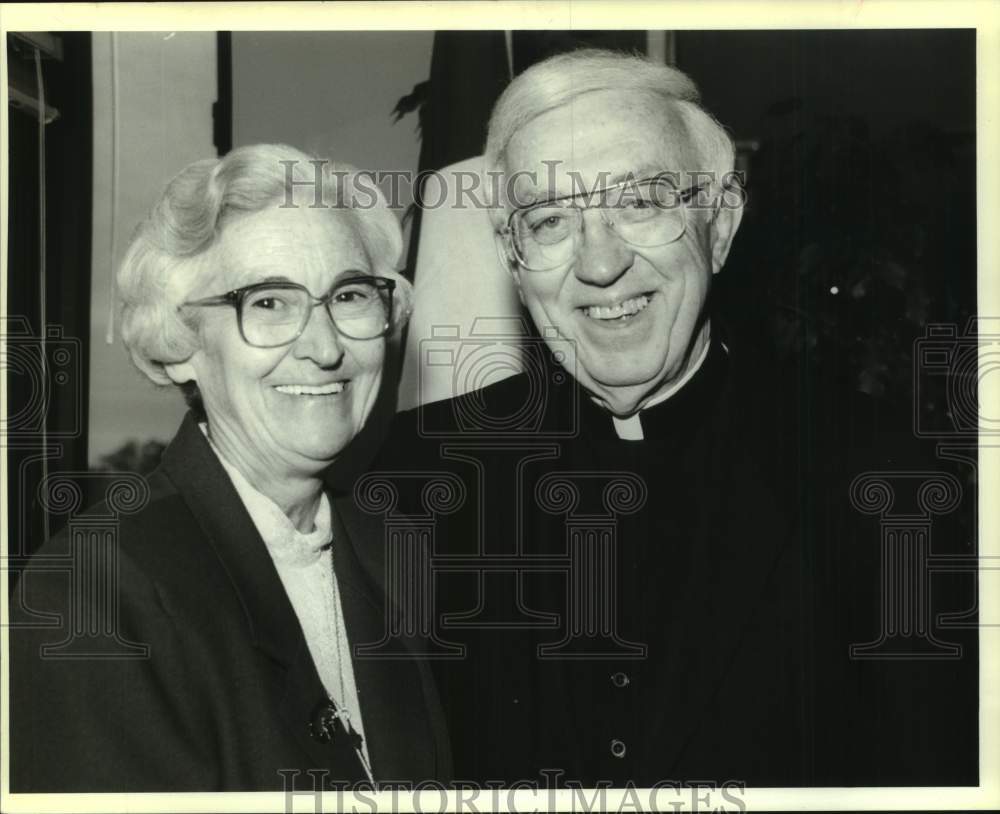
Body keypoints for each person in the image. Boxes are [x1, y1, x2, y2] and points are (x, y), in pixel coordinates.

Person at [365, 50, 977, 787]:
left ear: (719, 225)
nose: (599, 265)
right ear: (513, 258)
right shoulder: (410, 481)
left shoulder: (880, 475)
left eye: (640, 203)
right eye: (550, 220)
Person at [10, 144, 451, 791]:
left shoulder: (395, 550)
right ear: (180, 345)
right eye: (269, 303)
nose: (325, 347)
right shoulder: (93, 596)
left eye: (349, 295)